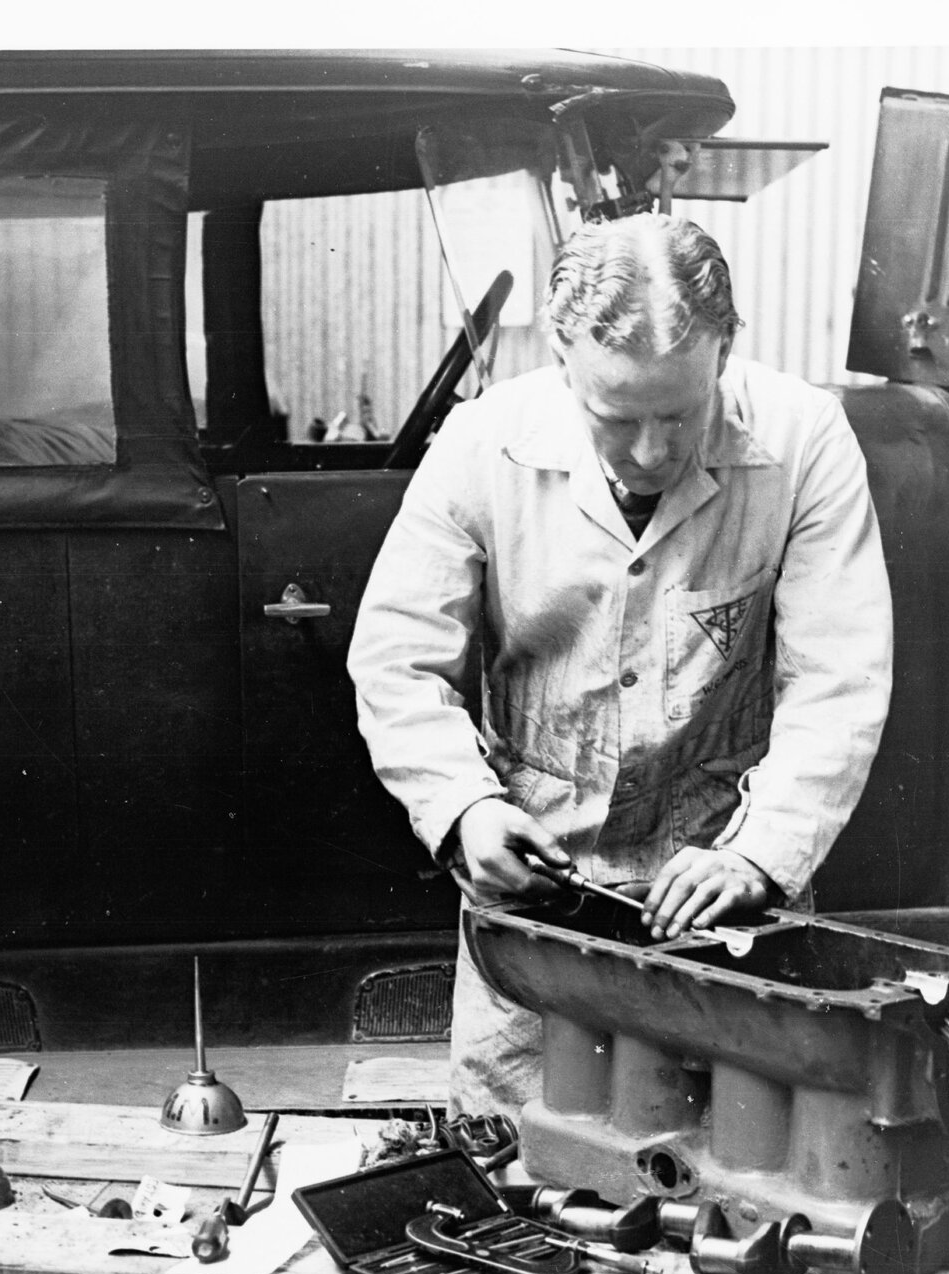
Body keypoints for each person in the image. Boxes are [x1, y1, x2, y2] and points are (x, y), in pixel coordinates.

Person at [347, 213, 893, 1117]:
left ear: (727, 346)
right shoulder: (482, 445)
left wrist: (761, 854)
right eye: (616, 417)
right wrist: (465, 809)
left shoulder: (804, 442)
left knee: (738, 1167)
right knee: (520, 1165)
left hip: (723, 886)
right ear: (563, 354)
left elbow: (839, 681)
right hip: (537, 887)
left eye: (679, 416)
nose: (650, 454)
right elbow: (399, 663)